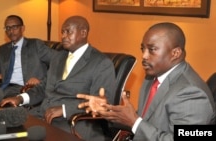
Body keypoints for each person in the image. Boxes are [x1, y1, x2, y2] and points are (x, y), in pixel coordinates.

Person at [77, 22, 216, 141]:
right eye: (143, 49)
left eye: (152, 50)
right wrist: (108, 111)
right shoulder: (153, 77)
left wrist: (135, 122)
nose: (144, 56)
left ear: (175, 53)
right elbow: (146, 121)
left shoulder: (191, 93)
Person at [0, 15, 116, 141]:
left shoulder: (101, 63)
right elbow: (43, 87)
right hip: (43, 115)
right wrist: (20, 98)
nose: (63, 36)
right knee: (2, 123)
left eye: (68, 31)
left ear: (83, 33)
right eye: (62, 32)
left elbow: (101, 102)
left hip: (74, 122)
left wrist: (65, 109)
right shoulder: (58, 58)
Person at [0, 15, 51, 98]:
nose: (11, 31)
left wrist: (41, 81)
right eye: (8, 28)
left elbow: (58, 62)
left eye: (15, 27)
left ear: (22, 28)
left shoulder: (35, 45)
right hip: (6, 89)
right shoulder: (3, 50)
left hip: (28, 89)